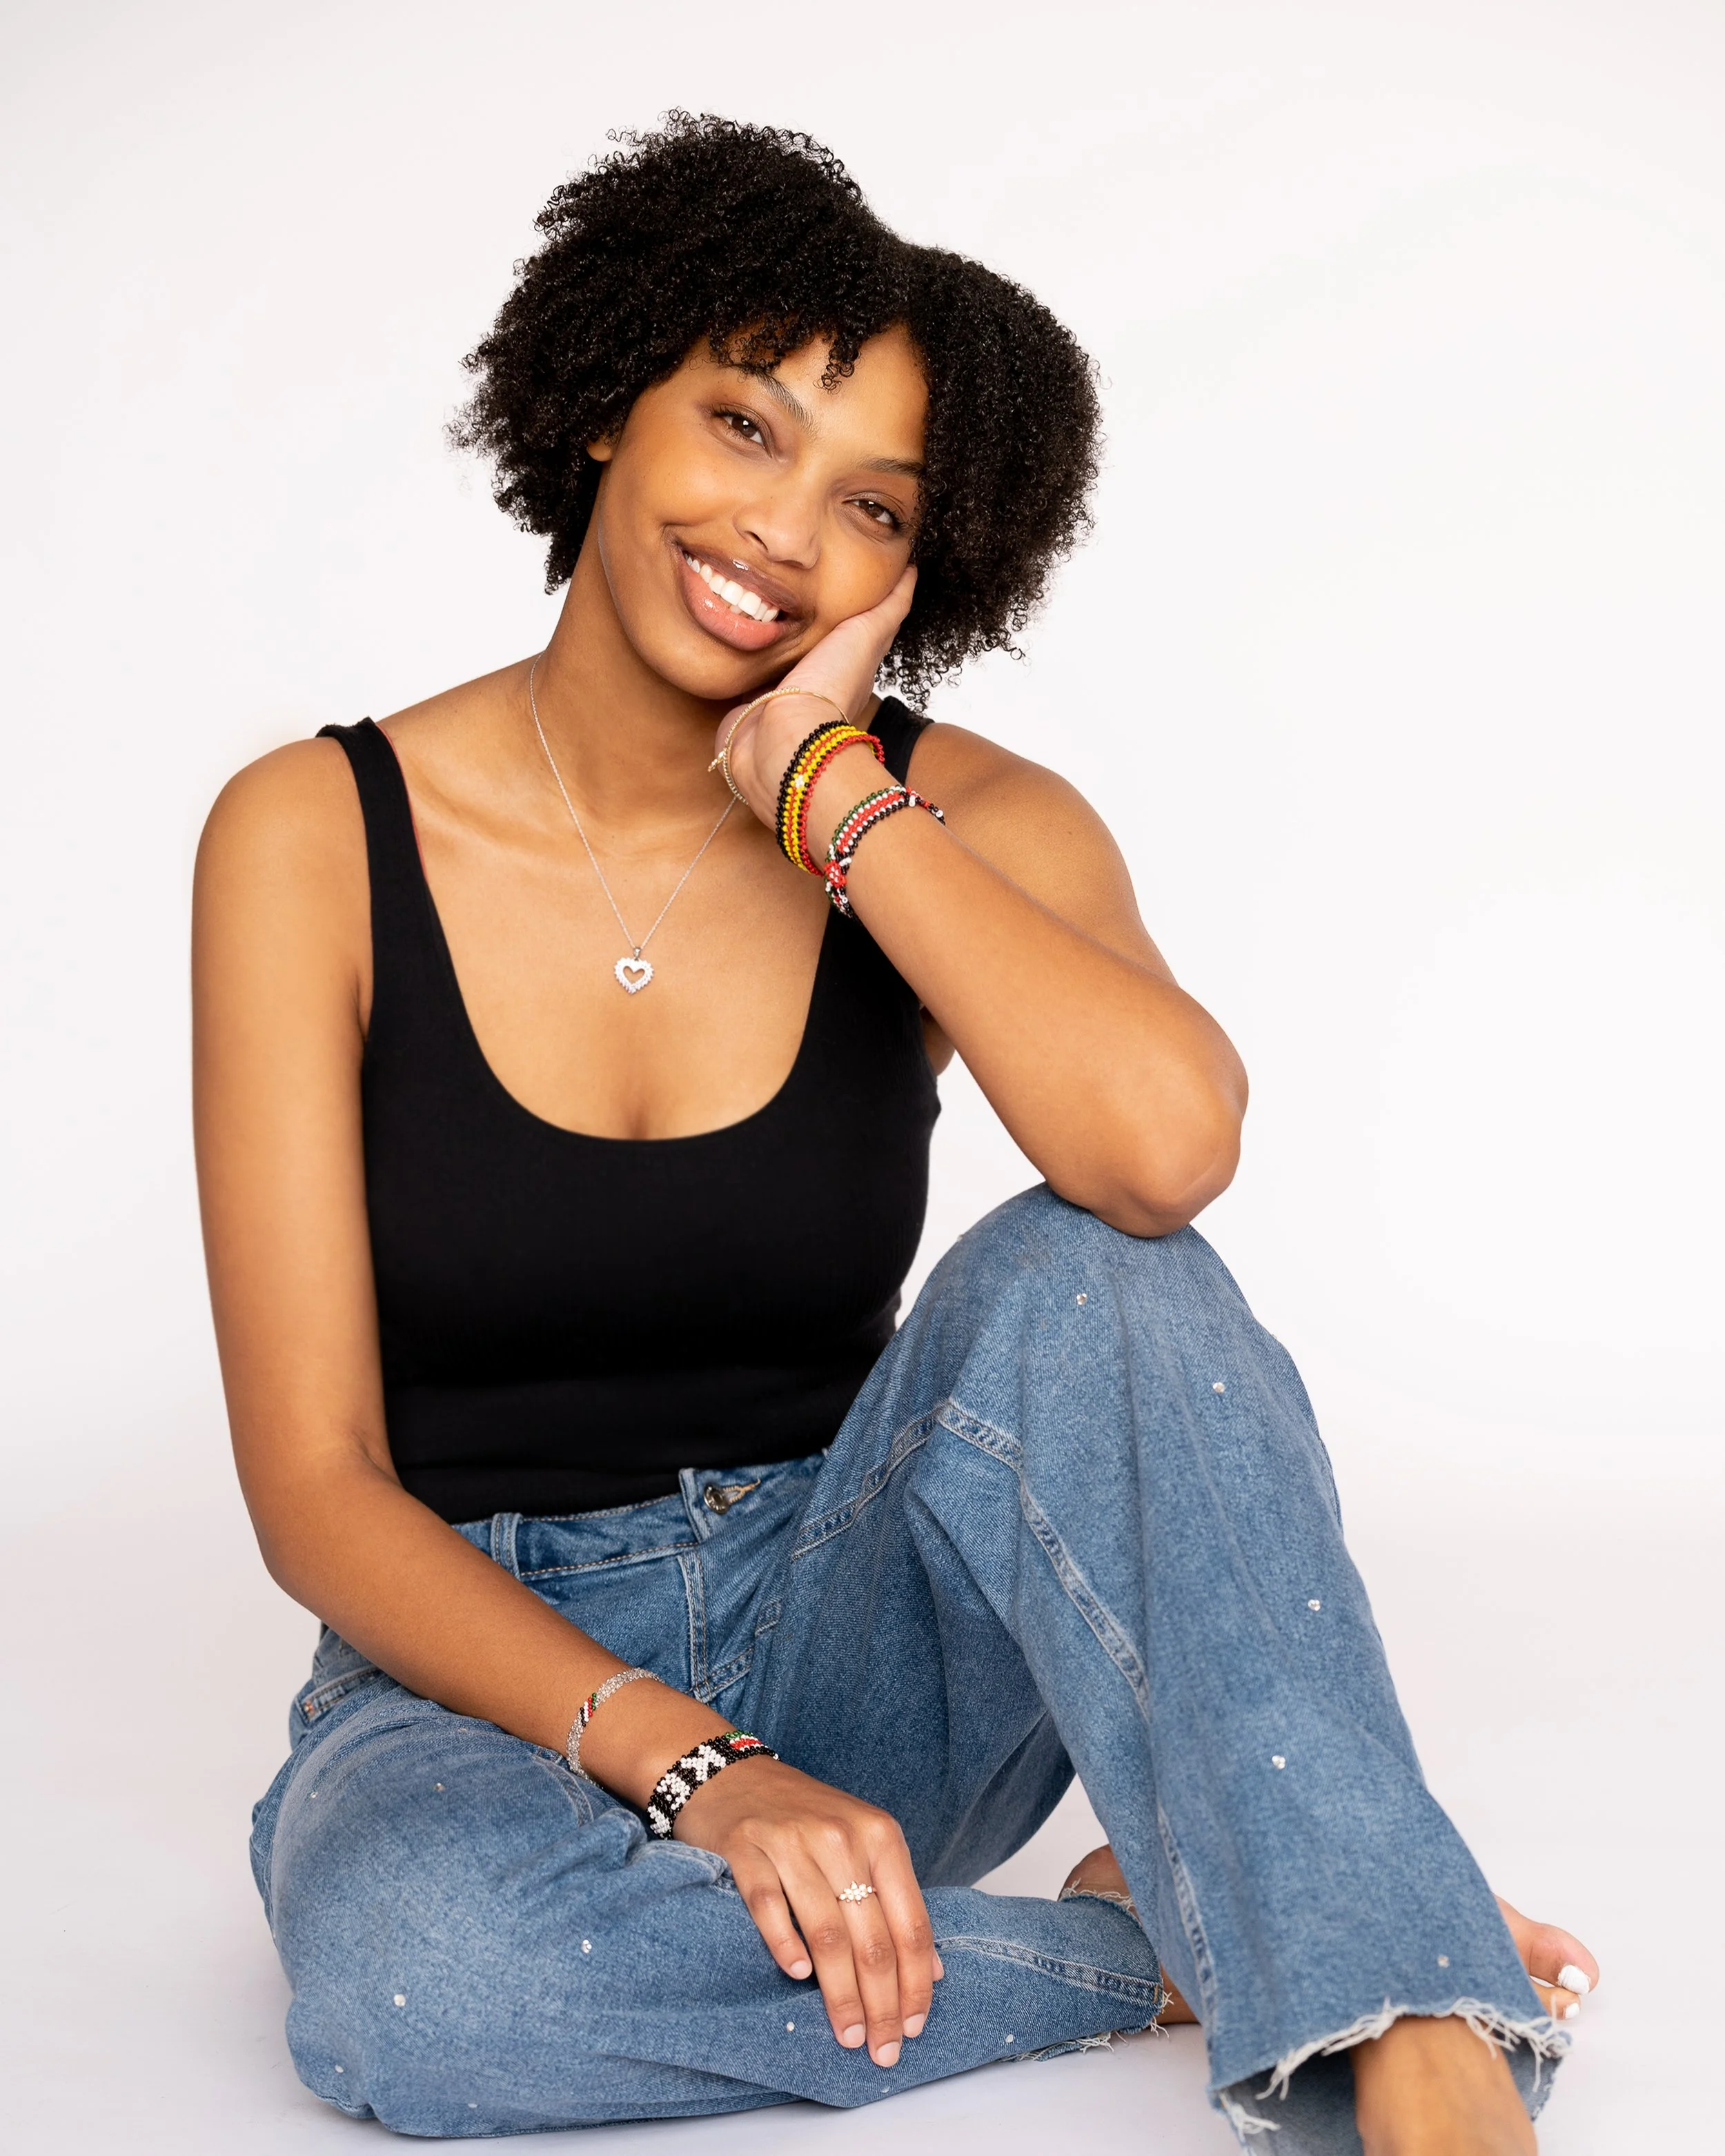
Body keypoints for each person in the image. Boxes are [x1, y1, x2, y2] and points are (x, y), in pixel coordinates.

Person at [193, 115, 1597, 2153]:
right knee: (434, 1986)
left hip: (858, 1631)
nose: (780, 531)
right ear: (604, 404)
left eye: (869, 504)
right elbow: (313, 1486)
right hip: (477, 1691)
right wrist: (696, 1775)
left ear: (926, 565)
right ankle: (1230, 1935)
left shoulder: (954, 822)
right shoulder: (307, 836)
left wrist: (838, 802)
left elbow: (1162, 1155)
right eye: (742, 427)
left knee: (1097, 1270)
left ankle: (1409, 2030)